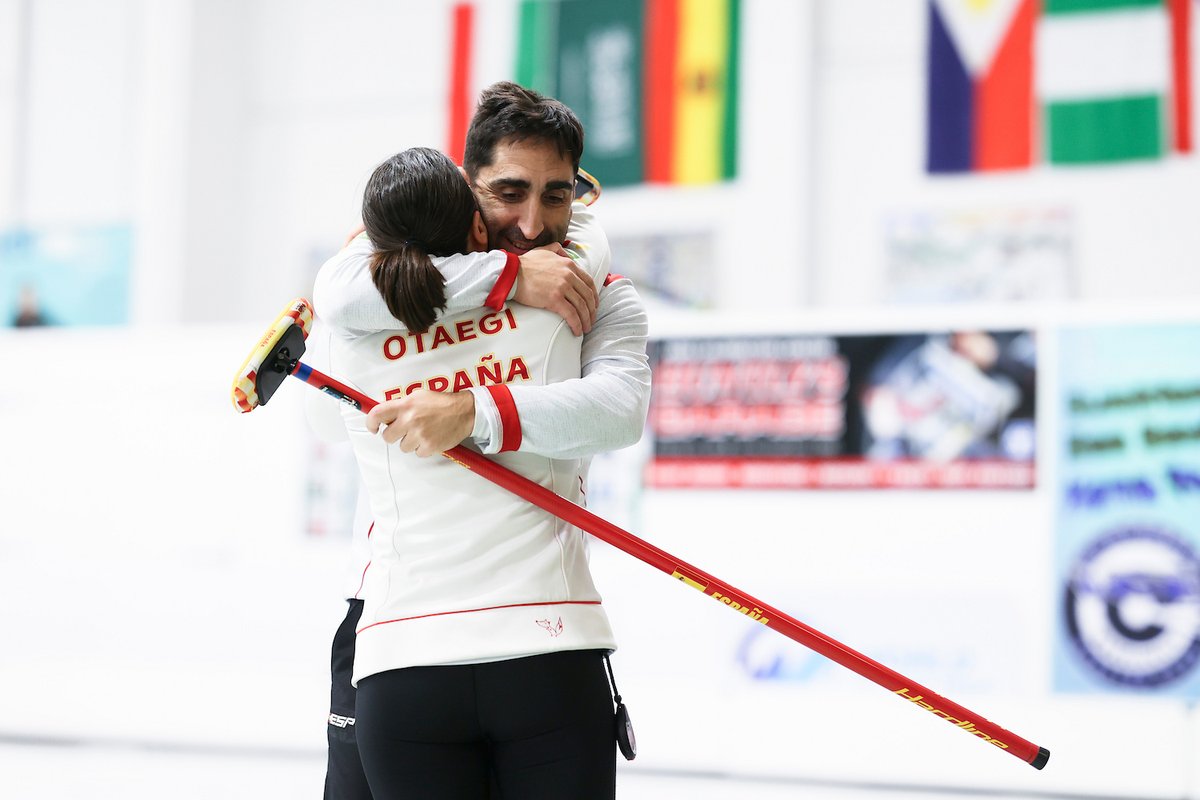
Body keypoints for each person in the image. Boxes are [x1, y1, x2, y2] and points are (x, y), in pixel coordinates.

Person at [312, 83, 650, 799]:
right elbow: (340, 292)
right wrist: (505, 276)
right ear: (468, 191)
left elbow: (617, 407)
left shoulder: (586, 288)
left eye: (557, 197)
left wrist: (473, 409)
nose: (532, 223)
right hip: (386, 616)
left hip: (525, 635)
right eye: (509, 194)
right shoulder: (371, 293)